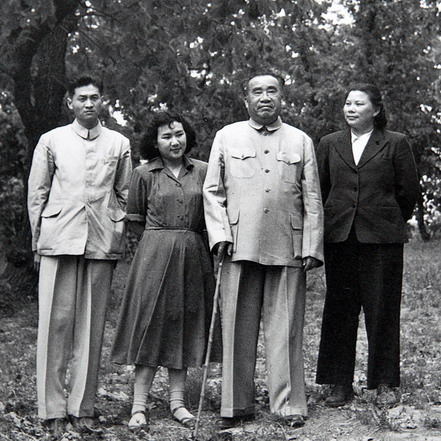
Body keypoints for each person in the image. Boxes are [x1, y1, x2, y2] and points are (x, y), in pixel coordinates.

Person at [203, 73, 324, 429]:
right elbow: (212, 191)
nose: (265, 97)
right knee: (237, 328)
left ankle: (288, 406)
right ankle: (236, 405)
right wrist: (219, 235)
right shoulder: (227, 136)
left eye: (272, 91)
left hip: (287, 244)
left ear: (282, 97)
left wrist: (312, 244)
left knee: (286, 329)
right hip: (239, 243)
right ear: (246, 100)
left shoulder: (300, 140)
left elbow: (312, 197)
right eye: (257, 92)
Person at [27, 75, 132, 436]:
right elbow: (38, 193)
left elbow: (124, 193)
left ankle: (82, 407)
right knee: (55, 325)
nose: (89, 104)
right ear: (70, 102)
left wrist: (115, 230)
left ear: (103, 101)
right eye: (82, 98)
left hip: (100, 240)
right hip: (59, 237)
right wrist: (38, 240)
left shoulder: (119, 143)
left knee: (91, 327)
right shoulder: (51, 140)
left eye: (94, 97)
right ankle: (52, 408)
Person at [111, 112, 220, 430]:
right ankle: (139, 405)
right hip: (154, 256)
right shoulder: (143, 174)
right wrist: (159, 243)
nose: (175, 142)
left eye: (179, 134)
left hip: (194, 255)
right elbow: (135, 220)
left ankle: (177, 403)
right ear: (155, 142)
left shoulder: (203, 170)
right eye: (166, 136)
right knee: (149, 324)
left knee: (183, 323)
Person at [315, 83, 420, 408]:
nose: (351, 108)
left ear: (375, 110)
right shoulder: (329, 143)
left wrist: (386, 219)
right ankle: (339, 383)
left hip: (382, 241)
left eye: (359, 104)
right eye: (348, 103)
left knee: (382, 310)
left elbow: (408, 192)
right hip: (340, 239)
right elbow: (321, 189)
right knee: (339, 310)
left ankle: (385, 382)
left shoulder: (395, 142)